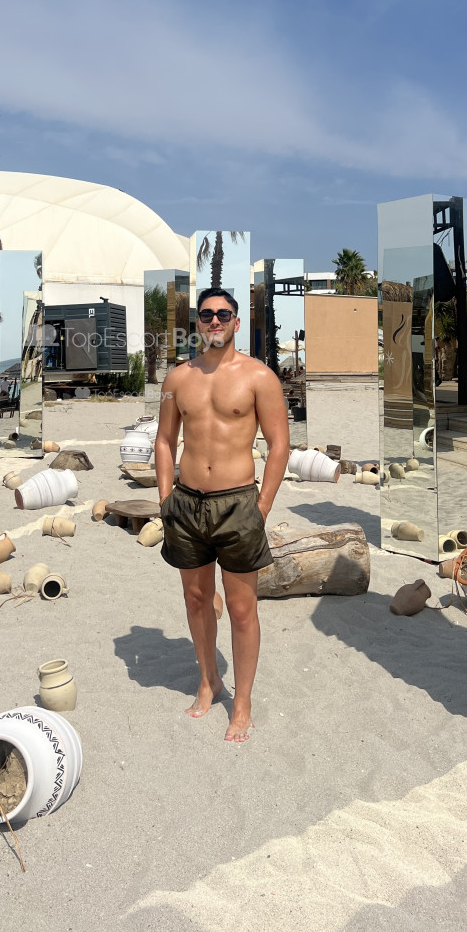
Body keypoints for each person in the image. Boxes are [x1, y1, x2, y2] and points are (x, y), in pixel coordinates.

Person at [155, 287, 289, 743]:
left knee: (241, 608)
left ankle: (243, 702)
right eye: (207, 314)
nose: (215, 320)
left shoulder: (259, 377)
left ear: (236, 321)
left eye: (224, 314)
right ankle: (209, 680)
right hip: (186, 503)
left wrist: (262, 505)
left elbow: (279, 444)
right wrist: (165, 498)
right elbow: (164, 440)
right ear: (197, 322)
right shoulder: (178, 379)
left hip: (238, 504)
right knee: (196, 599)